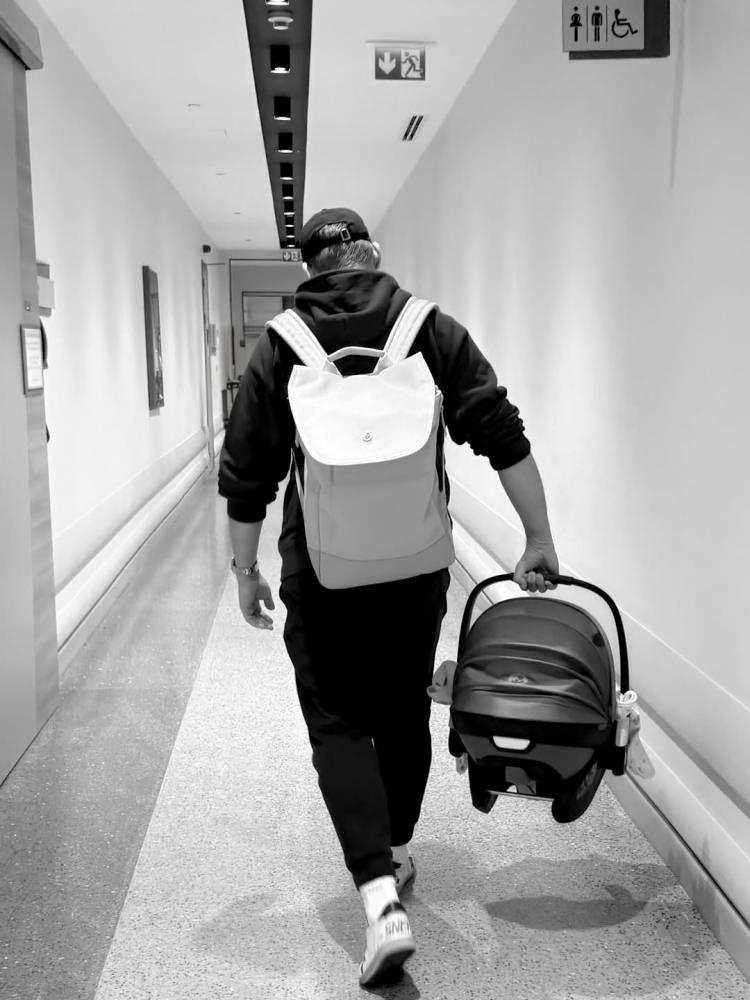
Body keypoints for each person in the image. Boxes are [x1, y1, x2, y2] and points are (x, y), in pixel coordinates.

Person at [218, 208, 559, 986]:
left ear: (308, 269)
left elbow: (246, 475)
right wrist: (538, 538)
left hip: (319, 570)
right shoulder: (428, 328)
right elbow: (501, 433)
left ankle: (380, 900)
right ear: (372, 254)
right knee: (404, 710)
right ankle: (398, 846)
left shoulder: (281, 344)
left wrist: (244, 571)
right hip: (415, 566)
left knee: (337, 723)